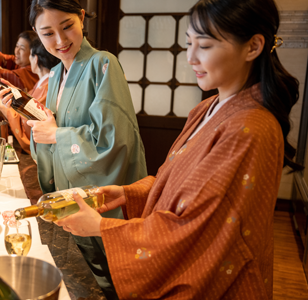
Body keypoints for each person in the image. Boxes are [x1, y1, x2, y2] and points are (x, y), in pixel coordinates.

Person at [55, 0, 303, 298]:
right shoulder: (206, 108)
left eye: (206, 46)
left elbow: (199, 230)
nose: (191, 58)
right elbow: (177, 187)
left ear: (253, 47)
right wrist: (127, 193)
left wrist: (102, 228)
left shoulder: (251, 129)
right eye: (189, 43)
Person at [12, 0, 148, 298]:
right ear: (36, 33)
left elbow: (112, 142)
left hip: (103, 203)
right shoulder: (59, 73)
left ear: (82, 18)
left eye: (67, 27)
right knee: (87, 280)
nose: (60, 41)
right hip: (69, 201)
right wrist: (42, 128)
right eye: (47, 33)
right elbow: (48, 138)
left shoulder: (103, 64)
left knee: (115, 283)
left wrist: (58, 135)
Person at [0, 38, 59, 154]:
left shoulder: (47, 87)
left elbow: (29, 123)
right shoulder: (42, 83)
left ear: (35, 58)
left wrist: (2, 106)